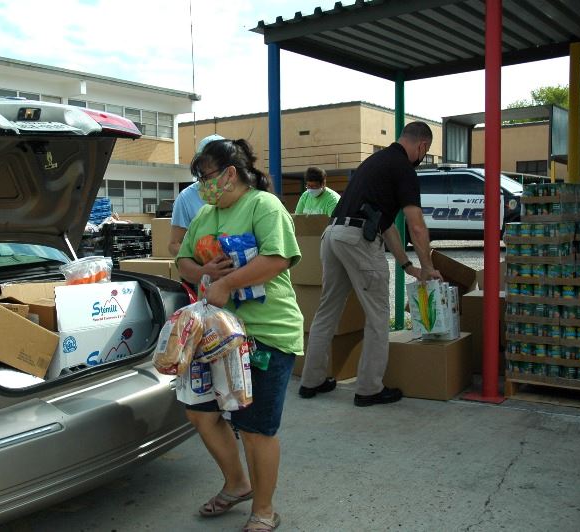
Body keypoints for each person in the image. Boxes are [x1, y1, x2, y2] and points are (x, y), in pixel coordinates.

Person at [176, 138, 302, 532]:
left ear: (230, 173)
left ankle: (264, 510)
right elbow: (182, 260)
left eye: (206, 177)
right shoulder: (205, 215)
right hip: (215, 334)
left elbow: (278, 258)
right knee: (200, 412)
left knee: (254, 427)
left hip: (264, 333)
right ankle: (237, 484)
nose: (202, 186)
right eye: (199, 179)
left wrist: (228, 284)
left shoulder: (264, 206)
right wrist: (205, 272)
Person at [298, 121, 443, 406]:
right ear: (423, 146)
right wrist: (428, 267)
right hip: (357, 239)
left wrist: (407, 265)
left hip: (333, 234)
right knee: (378, 315)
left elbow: (386, 225)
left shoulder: (373, 163)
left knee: (327, 310)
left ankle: (310, 381)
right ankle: (369, 389)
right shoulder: (404, 169)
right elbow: (416, 225)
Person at [168, 134, 225, 256]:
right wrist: (200, 259)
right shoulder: (186, 198)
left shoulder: (249, 198)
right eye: (204, 176)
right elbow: (174, 244)